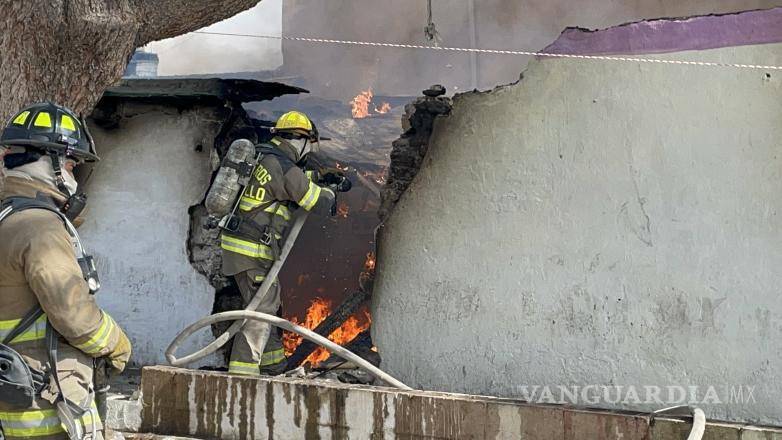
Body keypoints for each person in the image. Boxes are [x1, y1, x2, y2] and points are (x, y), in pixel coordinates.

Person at [0, 102, 132, 440]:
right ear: (51, 163)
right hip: (43, 409)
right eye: (72, 166)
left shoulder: (6, 219)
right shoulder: (40, 227)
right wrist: (116, 344)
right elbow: (73, 315)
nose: (74, 177)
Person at [220, 111, 350, 376]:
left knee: (267, 305)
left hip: (241, 248)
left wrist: (320, 177)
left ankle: (272, 365)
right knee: (260, 313)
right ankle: (242, 375)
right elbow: (316, 201)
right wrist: (332, 192)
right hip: (252, 250)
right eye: (309, 145)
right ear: (301, 141)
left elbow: (290, 183)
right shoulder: (282, 165)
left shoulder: (266, 157)